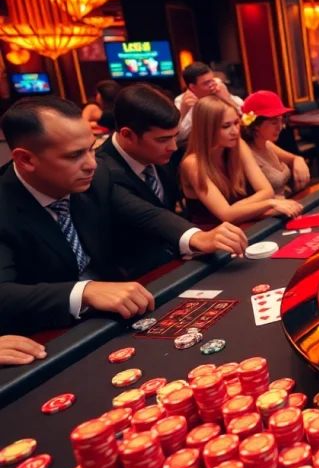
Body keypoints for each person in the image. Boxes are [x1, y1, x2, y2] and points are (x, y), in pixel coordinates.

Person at [0, 96, 248, 338]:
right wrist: (84, 292)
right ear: (26, 159)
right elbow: (4, 293)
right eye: (74, 156)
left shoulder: (96, 178)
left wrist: (196, 237)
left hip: (110, 317)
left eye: (91, 149)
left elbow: (144, 213)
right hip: (46, 335)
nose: (91, 164)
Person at [95, 84, 185, 277]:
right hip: (135, 279)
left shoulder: (160, 154)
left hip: (176, 262)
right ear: (128, 135)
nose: (173, 147)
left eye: (175, 137)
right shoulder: (100, 172)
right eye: (163, 140)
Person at [180, 96, 303, 226]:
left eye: (236, 123)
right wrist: (269, 203)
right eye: (226, 126)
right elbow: (226, 215)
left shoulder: (237, 144)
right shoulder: (193, 164)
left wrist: (237, 209)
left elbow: (267, 191)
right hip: (213, 236)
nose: (235, 131)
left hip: (244, 223)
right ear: (207, 130)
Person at [240, 91, 310, 198]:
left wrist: (298, 159)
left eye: (281, 121)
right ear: (256, 125)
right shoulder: (245, 152)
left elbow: (293, 158)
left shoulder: (267, 144)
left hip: (289, 203)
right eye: (274, 122)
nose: (280, 127)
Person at [174, 62, 244, 144]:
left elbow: (247, 119)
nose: (212, 85)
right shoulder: (181, 101)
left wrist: (228, 99)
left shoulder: (220, 91)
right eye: (206, 83)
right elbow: (179, 137)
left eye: (212, 80)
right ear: (193, 87)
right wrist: (184, 112)